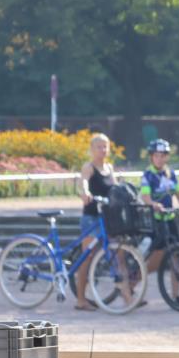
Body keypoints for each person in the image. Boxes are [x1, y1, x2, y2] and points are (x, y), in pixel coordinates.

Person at [140, 138, 179, 307]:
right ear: (151, 157)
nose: (159, 159)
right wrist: (153, 204)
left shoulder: (171, 173)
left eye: (163, 156)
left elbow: (177, 192)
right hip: (156, 221)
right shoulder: (148, 175)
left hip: (169, 220)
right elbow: (145, 196)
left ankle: (176, 297)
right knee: (154, 262)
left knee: (175, 256)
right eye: (156, 156)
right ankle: (133, 284)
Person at [75, 133, 115, 311]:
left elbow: (115, 188)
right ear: (92, 149)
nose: (103, 150)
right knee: (87, 256)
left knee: (117, 252)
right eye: (99, 147)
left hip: (106, 216)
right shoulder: (88, 167)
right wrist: (85, 193)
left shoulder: (110, 168)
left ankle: (128, 295)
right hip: (91, 216)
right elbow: (83, 182)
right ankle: (80, 299)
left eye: (105, 146)